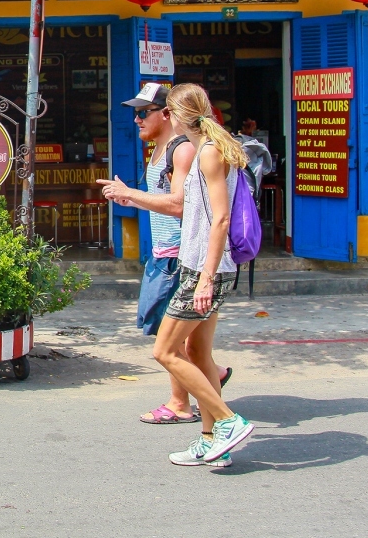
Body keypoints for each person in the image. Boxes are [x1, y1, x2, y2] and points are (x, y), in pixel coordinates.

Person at [98, 82, 231, 426]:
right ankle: (212, 422)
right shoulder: (164, 150)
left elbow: (182, 206)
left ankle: (188, 406)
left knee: (168, 344)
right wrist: (133, 197)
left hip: (181, 258)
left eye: (144, 113)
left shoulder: (187, 151)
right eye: (135, 113)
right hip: (175, 256)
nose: (137, 120)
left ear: (168, 114)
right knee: (186, 346)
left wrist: (131, 195)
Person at [145, 83, 255, 467]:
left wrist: (206, 277)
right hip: (207, 267)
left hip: (204, 270)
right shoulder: (213, 147)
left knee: (165, 350)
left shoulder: (208, 152)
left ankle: (227, 421)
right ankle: (211, 440)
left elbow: (221, 217)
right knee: (198, 353)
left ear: (175, 115)